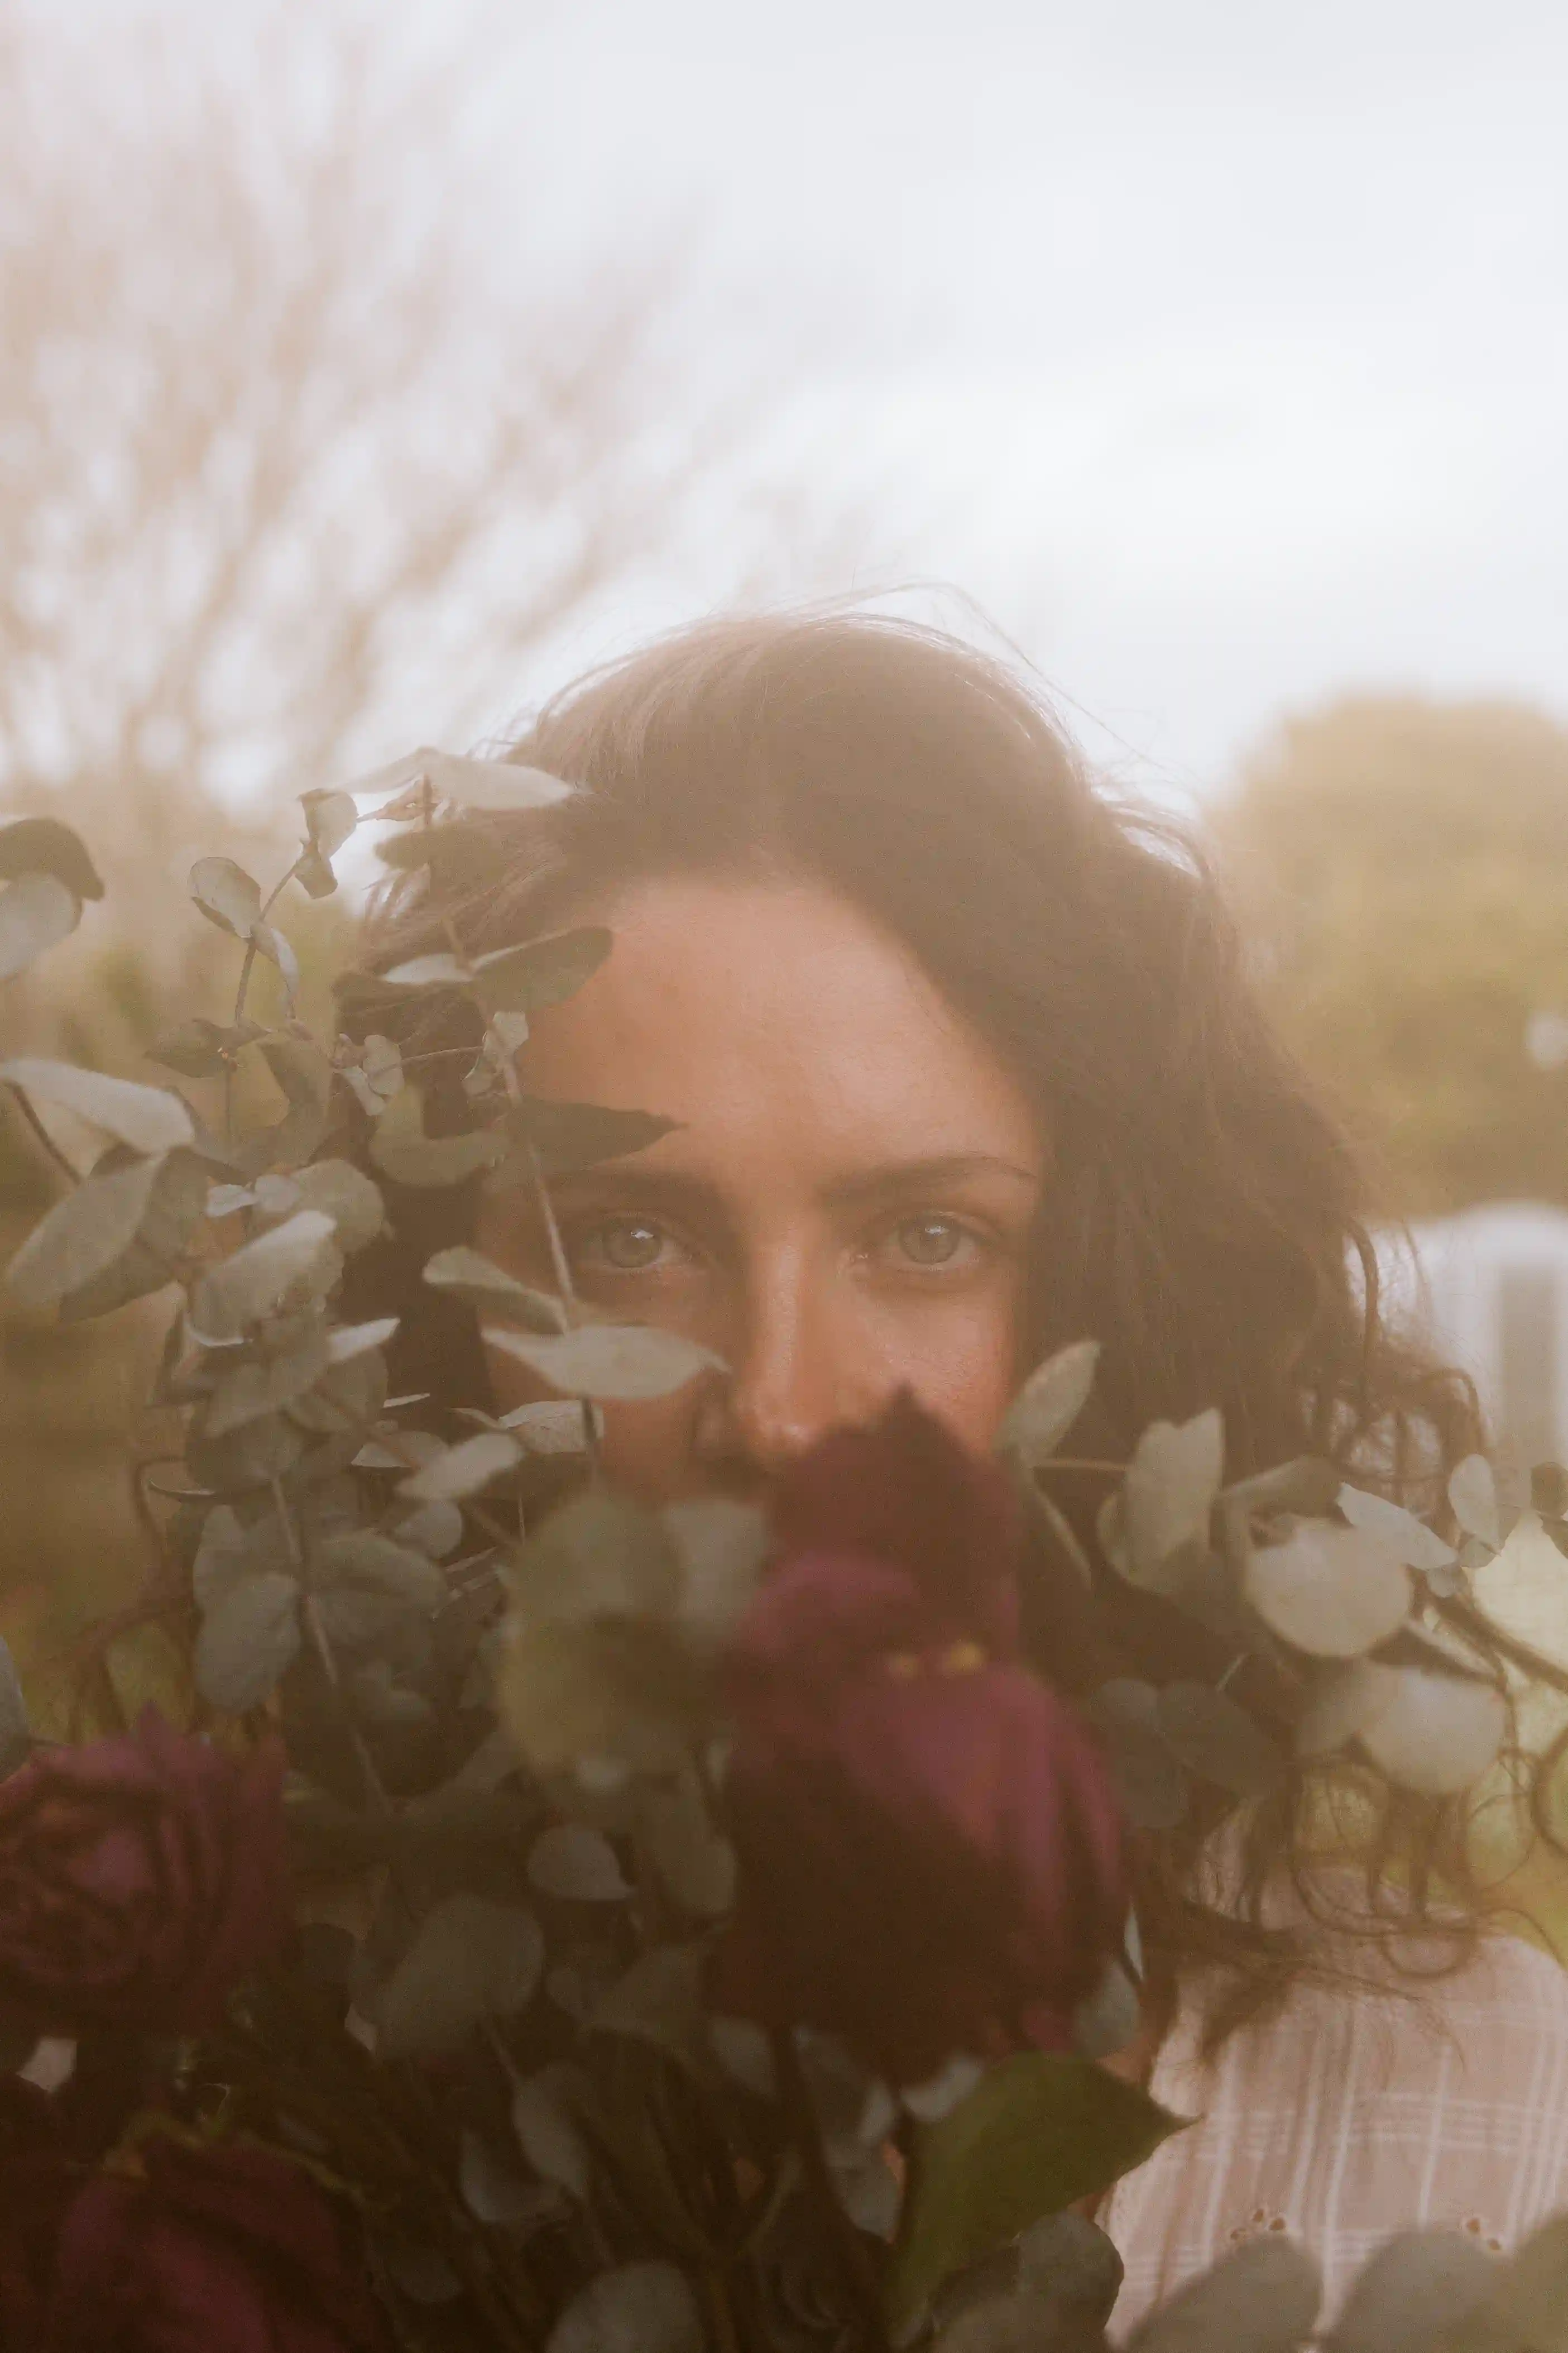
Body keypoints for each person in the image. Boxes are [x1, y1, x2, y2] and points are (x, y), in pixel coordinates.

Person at [356, 610, 1568, 2335]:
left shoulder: (1491, 2125)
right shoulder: (298, 2103)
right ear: (425, 1298)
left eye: (927, 1234)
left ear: (1106, 1286)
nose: (775, 1408)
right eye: (627, 1240)